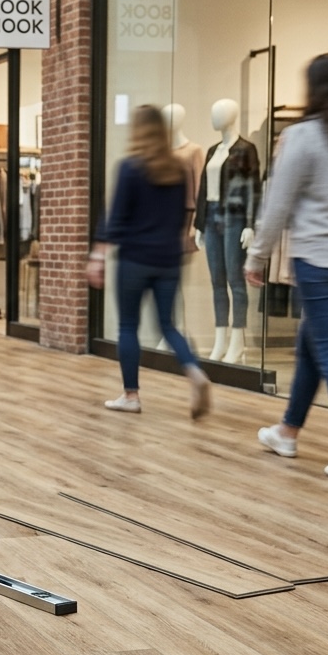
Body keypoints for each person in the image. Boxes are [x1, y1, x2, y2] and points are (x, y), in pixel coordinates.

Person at [87, 104, 211, 419]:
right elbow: (182, 215)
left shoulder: (130, 168)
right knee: (168, 325)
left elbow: (115, 217)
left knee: (128, 325)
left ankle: (131, 395)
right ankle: (194, 371)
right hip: (168, 260)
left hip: (134, 259)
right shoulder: (177, 170)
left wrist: (98, 255)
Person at [245, 55, 328, 470]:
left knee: (326, 348)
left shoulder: (303, 136)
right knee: (311, 345)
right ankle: (287, 431)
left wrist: (257, 256)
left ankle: (288, 431)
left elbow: (277, 204)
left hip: (318, 259)